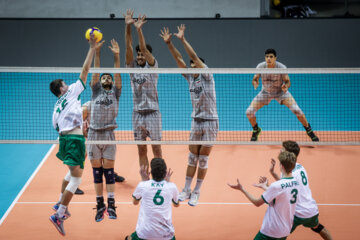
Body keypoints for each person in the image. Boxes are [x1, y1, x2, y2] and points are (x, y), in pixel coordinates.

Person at [160, 24, 218, 206]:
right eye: (192, 65)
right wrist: (169, 44)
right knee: (192, 157)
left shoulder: (207, 75)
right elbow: (180, 61)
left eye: (195, 64)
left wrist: (183, 39)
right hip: (196, 121)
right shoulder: (190, 78)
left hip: (210, 122)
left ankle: (197, 191)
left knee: (203, 159)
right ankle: (186, 189)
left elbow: (191, 56)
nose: (192, 65)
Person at [49, 34, 97, 236]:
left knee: (72, 171)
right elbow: (85, 71)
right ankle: (60, 214)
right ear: (62, 88)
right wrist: (92, 48)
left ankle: (60, 201)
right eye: (65, 83)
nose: (68, 84)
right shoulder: (70, 93)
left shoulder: (56, 106)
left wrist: (78, 124)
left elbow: (56, 127)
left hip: (65, 139)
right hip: (75, 139)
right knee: (77, 179)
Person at [246, 48, 319, 142]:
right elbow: (255, 78)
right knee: (249, 112)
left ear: (275, 58)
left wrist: (286, 86)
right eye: (267, 56)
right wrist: (255, 82)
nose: (268, 58)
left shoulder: (281, 67)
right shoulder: (260, 66)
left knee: (297, 111)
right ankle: (256, 130)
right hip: (265, 93)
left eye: (271, 57)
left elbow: (288, 81)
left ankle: (309, 130)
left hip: (280, 92)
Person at [86, 38, 122, 222]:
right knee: (97, 172)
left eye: (109, 77)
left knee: (109, 172)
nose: (106, 78)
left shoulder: (116, 92)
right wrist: (97, 52)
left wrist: (116, 56)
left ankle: (112, 204)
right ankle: (100, 205)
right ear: (100, 82)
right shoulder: (95, 91)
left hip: (108, 134)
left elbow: (117, 75)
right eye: (104, 77)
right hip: (93, 134)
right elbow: (95, 71)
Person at [269, 140, 333, 239]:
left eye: (283, 149)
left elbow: (284, 188)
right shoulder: (300, 167)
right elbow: (286, 182)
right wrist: (273, 173)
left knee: (279, 235)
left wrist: (267, 188)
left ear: (288, 154)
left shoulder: (289, 172)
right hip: (311, 211)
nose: (280, 150)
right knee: (318, 227)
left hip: (297, 213)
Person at [124, 9, 163, 173]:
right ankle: (145, 178)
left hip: (153, 113)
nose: (139, 56)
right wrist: (128, 27)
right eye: (138, 54)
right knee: (141, 150)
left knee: (156, 149)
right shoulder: (132, 68)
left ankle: (159, 177)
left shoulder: (153, 66)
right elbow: (128, 47)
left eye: (142, 54)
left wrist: (139, 29)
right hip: (138, 113)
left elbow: (145, 50)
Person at [228, 151, 299, 239]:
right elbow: (281, 195)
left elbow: (257, 203)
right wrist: (266, 187)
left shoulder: (276, 186)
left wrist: (242, 189)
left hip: (271, 231)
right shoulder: (296, 182)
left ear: (282, 166)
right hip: (285, 231)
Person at [126, 158, 179, 240]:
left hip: (145, 233)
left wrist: (143, 180)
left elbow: (135, 202)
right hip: (166, 235)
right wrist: (168, 182)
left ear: (151, 173)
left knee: (129, 238)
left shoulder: (143, 185)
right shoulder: (172, 186)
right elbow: (176, 205)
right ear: (165, 173)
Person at [83, 101, 125, 183]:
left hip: (106, 136)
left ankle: (111, 174)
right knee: (82, 156)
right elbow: (80, 121)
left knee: (108, 157)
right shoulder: (87, 106)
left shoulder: (109, 103)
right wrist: (84, 132)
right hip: (93, 136)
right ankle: (73, 180)